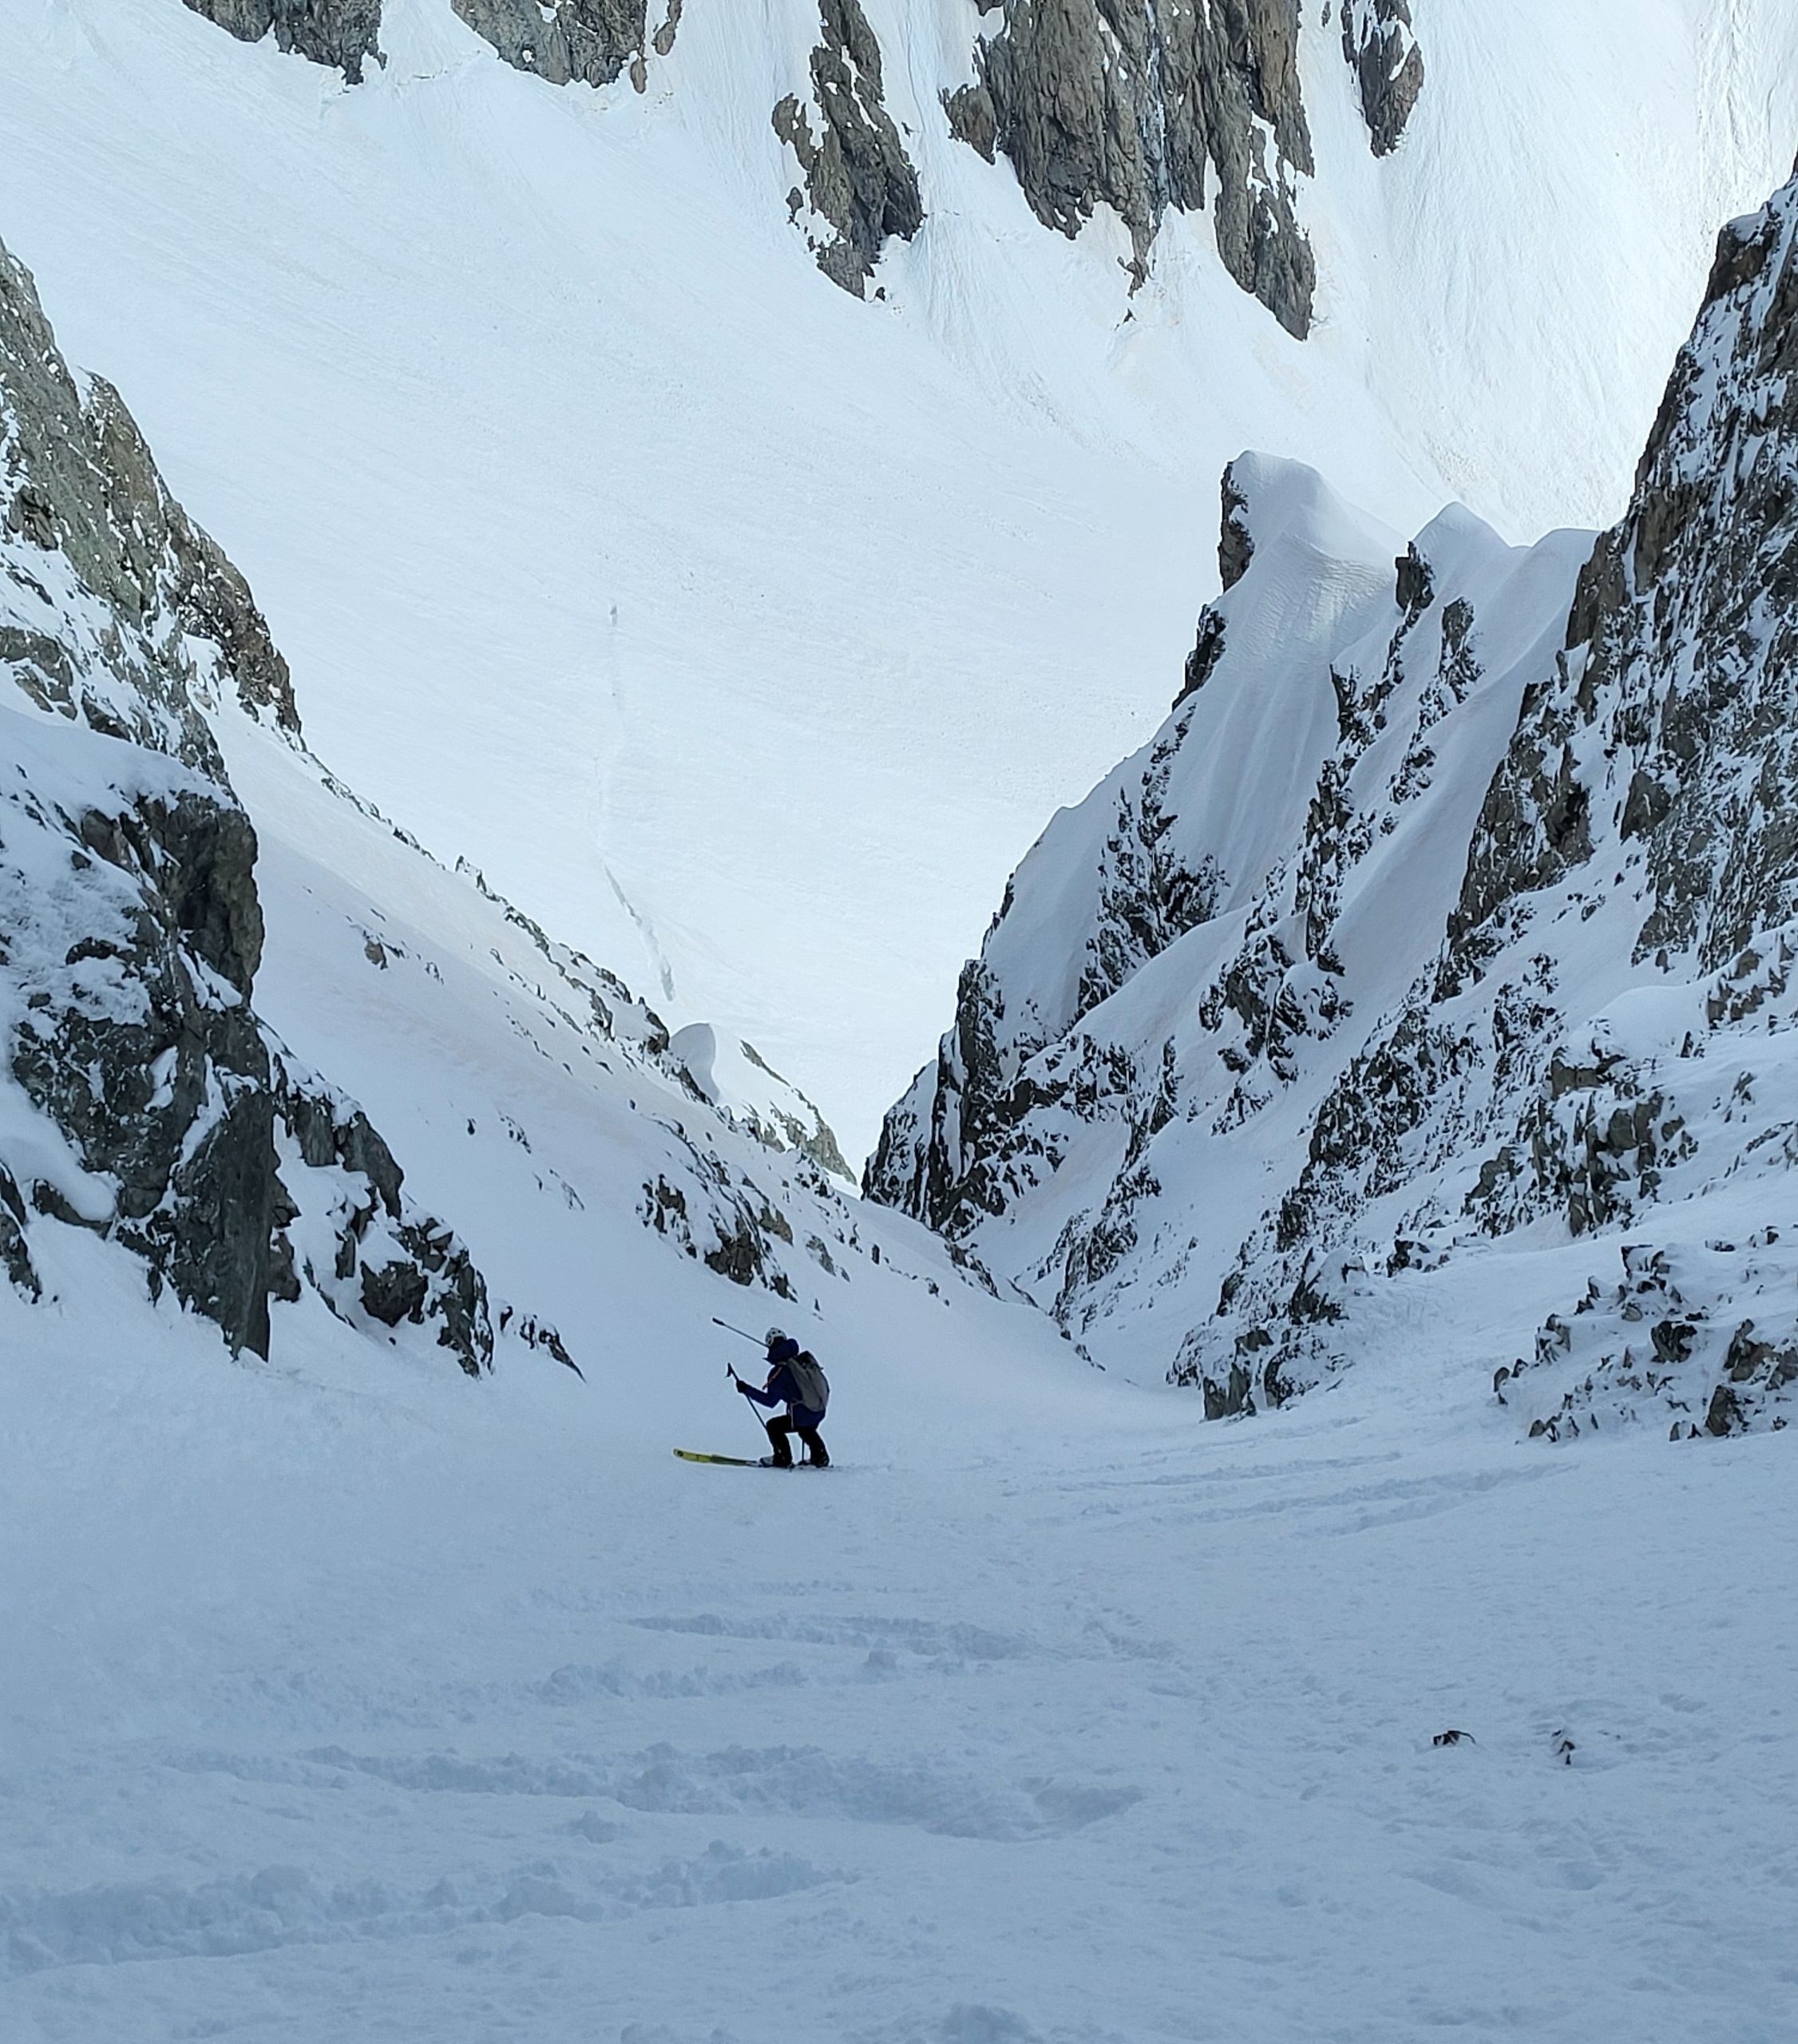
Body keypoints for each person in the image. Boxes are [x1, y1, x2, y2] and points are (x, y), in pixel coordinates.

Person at [734, 1327, 830, 1467]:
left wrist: (746, 1390)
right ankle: (820, 1457)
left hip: (803, 1413)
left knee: (774, 1426)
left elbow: (770, 1401)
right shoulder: (802, 1361)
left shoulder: (780, 1371)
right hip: (819, 1411)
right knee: (806, 1428)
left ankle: (782, 1458)